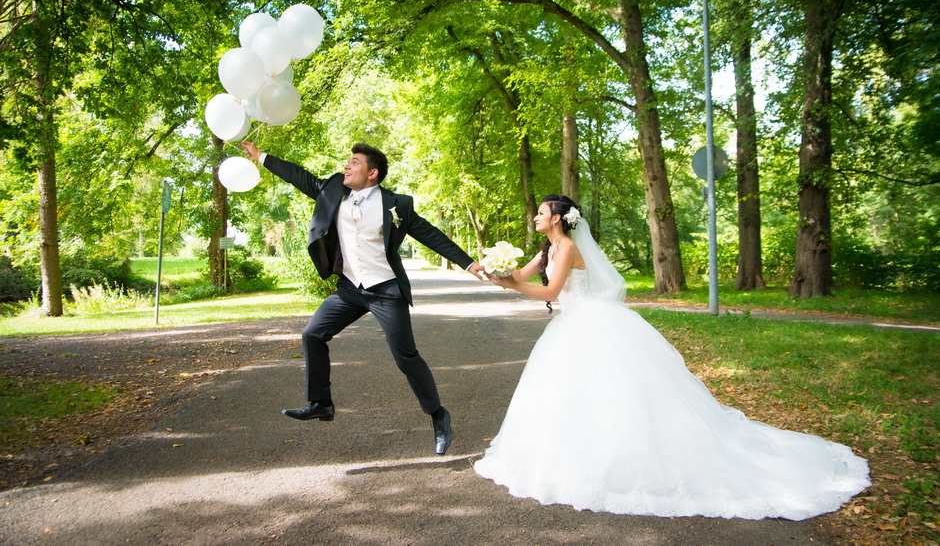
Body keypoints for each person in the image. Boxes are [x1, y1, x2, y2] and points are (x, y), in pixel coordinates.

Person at [474, 194, 870, 519]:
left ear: (559, 218)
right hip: (572, 327)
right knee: (573, 397)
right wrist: (495, 273)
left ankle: (620, 462)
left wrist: (510, 283)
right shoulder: (550, 247)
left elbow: (547, 293)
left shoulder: (569, 247)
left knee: (615, 395)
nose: (536, 217)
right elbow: (522, 279)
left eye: (542, 213)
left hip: (591, 325)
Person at [239, 141, 484, 455]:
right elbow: (299, 177)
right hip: (350, 289)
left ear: (373, 173)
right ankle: (321, 403)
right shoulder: (332, 192)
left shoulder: (397, 205)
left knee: (405, 357)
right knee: (313, 333)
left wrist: (468, 263)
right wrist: (262, 158)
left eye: (354, 162)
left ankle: (438, 415)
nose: (347, 166)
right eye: (348, 162)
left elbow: (430, 233)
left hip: (386, 290)